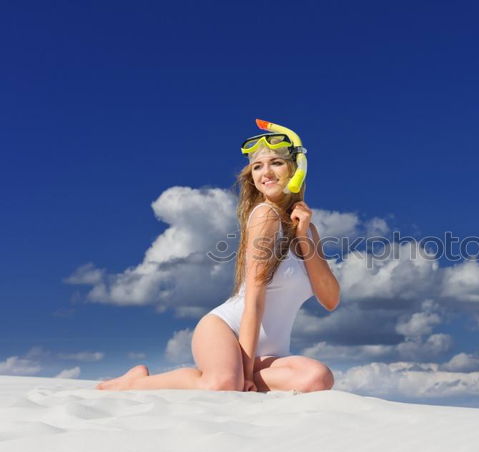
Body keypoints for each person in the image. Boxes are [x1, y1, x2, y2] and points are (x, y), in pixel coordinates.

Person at [96, 128, 340, 392]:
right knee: (225, 383)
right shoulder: (264, 215)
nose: (265, 173)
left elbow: (330, 300)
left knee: (318, 378)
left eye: (276, 163)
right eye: (257, 167)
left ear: (296, 170)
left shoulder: (308, 230)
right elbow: (254, 298)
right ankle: (135, 383)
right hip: (227, 330)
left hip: (269, 353)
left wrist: (303, 236)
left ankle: (230, 375)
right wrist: (245, 374)